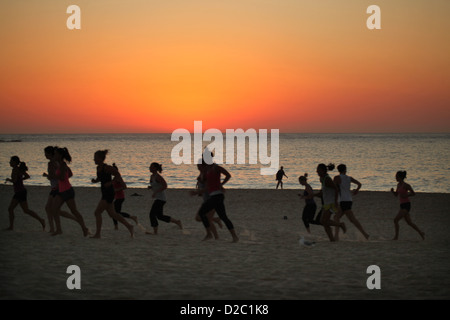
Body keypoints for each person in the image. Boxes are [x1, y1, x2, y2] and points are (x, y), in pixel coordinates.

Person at [91, 150, 134, 238]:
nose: (94, 159)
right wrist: (95, 181)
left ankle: (98, 234)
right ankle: (129, 226)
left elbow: (118, 174)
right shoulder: (98, 168)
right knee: (113, 214)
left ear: (100, 159)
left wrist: (111, 182)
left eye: (95, 158)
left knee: (97, 212)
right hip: (104, 192)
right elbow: (100, 178)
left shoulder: (107, 167)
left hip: (109, 192)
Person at [50, 147, 90, 236]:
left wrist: (53, 176)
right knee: (54, 209)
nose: (54, 155)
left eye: (56, 154)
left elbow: (62, 177)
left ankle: (84, 228)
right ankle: (59, 230)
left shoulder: (63, 165)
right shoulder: (61, 165)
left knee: (74, 211)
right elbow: (70, 174)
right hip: (61, 191)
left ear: (60, 155)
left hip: (67, 191)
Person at [197, 161, 239, 242]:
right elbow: (207, 186)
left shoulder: (216, 168)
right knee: (223, 217)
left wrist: (221, 184)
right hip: (214, 196)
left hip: (217, 196)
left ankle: (210, 234)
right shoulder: (207, 171)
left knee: (202, 213)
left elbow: (228, 175)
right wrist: (198, 191)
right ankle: (234, 237)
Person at [42, 146, 78, 234]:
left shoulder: (55, 163)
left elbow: (68, 174)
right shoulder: (54, 163)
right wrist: (51, 177)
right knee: (50, 209)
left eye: (46, 154)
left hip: (57, 188)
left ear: (51, 154)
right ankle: (53, 228)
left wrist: (59, 180)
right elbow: (66, 174)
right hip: (54, 188)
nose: (45, 155)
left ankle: (56, 228)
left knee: (53, 209)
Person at [5, 156, 45, 231]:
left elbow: (14, 181)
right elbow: (27, 176)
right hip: (21, 191)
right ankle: (41, 220)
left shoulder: (15, 170)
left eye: (11, 161)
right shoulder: (19, 169)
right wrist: (21, 179)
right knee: (26, 210)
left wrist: (8, 179)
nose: (10, 162)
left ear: (15, 162)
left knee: (10, 209)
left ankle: (11, 227)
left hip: (19, 192)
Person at [333, 164, 369, 240]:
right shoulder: (349, 178)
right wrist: (356, 191)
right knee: (337, 217)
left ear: (338, 170)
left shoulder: (337, 178)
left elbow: (333, 188)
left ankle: (365, 234)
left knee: (351, 219)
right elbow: (359, 184)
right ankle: (336, 236)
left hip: (343, 201)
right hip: (349, 200)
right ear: (345, 169)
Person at [146, 162, 182, 235]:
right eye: (150, 166)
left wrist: (156, 192)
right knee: (160, 216)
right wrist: (151, 187)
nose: (149, 168)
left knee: (152, 214)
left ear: (155, 168)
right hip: (158, 198)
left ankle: (155, 232)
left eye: (151, 167)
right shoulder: (151, 176)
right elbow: (156, 185)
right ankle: (177, 222)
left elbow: (165, 186)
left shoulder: (158, 176)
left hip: (161, 198)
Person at [190, 161, 222, 239]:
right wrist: (199, 192)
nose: (198, 167)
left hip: (212, 199)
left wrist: (197, 192)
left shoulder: (207, 175)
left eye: (200, 166)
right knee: (199, 218)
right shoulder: (201, 174)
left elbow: (208, 187)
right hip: (206, 200)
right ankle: (216, 221)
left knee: (207, 218)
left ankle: (213, 236)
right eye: (198, 166)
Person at [315, 163, 346, 241]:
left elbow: (336, 189)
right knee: (324, 222)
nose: (317, 172)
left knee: (323, 221)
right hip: (326, 202)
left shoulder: (327, 179)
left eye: (318, 170)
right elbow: (323, 191)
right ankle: (332, 239)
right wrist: (313, 195)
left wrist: (335, 201)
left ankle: (340, 224)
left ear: (322, 171)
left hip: (331, 203)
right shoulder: (322, 179)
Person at [391, 171, 425, 240]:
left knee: (395, 220)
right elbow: (396, 195)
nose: (395, 178)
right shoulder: (398, 185)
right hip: (402, 205)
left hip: (407, 205)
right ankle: (420, 232)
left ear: (400, 177)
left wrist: (406, 195)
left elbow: (413, 193)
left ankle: (396, 237)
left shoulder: (406, 185)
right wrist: (392, 191)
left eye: (397, 177)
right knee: (409, 222)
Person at [111, 163, 138, 230]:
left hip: (120, 197)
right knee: (114, 212)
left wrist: (116, 190)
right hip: (116, 197)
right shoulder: (114, 178)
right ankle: (116, 226)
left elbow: (124, 187)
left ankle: (132, 217)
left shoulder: (118, 178)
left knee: (115, 213)